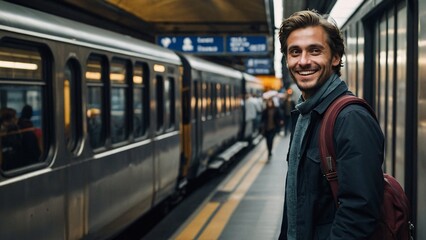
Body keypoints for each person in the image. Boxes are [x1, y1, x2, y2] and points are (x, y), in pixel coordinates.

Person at [278, 10, 384, 239]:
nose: (303, 61)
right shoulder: (305, 114)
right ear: (287, 59)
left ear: (335, 57)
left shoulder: (351, 118)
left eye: (315, 50)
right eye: (294, 52)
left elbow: (359, 216)